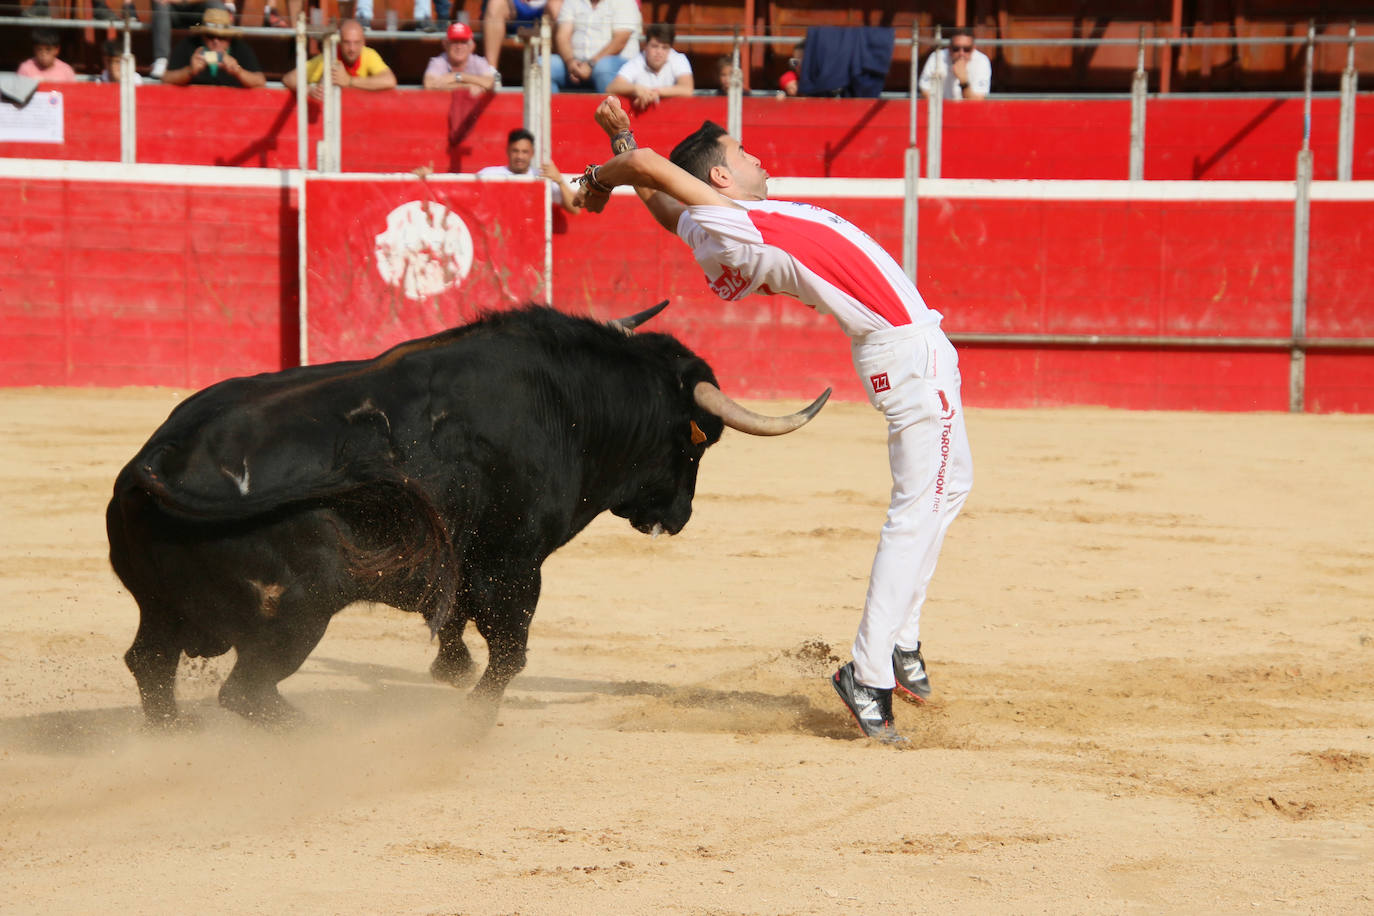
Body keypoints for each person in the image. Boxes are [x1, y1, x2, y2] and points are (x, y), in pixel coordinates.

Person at [574, 97, 973, 744]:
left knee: (949, 488)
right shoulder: (735, 223)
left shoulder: (716, 225)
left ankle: (900, 642)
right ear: (720, 178)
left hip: (907, 350)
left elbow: (661, 201)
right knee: (916, 511)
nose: (758, 159)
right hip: (906, 354)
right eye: (743, 154)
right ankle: (869, 673)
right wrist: (596, 180)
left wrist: (620, 139)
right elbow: (648, 168)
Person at [477, 127, 581, 216]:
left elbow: (575, 209)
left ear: (532, 153)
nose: (519, 156)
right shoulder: (489, 174)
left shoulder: (541, 178)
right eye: (515, 151)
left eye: (525, 152)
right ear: (508, 150)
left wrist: (560, 181)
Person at [282, 18, 396, 99]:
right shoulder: (328, 58)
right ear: (339, 42)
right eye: (347, 42)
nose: (352, 48)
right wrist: (309, 90)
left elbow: (390, 80)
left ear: (363, 43)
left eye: (356, 43)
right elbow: (289, 78)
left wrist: (349, 81)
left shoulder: (368, 55)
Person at [161, 7, 265, 87]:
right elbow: (166, 78)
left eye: (222, 37)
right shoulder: (189, 44)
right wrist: (190, 71)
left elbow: (260, 81)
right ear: (203, 35)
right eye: (210, 36)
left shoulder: (239, 47)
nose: (216, 41)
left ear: (229, 38)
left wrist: (238, 71)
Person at [550, 0, 640, 93]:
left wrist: (591, 64)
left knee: (603, 67)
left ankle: (610, 102)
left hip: (616, 64)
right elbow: (562, 36)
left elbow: (620, 40)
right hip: (575, 64)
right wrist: (570, 62)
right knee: (546, 64)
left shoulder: (625, 2)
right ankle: (549, 103)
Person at [605, 22, 693, 111]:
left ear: (670, 49)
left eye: (664, 47)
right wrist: (635, 89)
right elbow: (612, 87)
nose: (659, 52)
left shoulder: (679, 59)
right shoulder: (636, 62)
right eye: (655, 46)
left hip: (673, 113)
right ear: (645, 46)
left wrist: (655, 92)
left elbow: (687, 89)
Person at [482, 0, 562, 71]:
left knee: (556, 7)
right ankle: (490, 72)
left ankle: (541, 70)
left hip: (545, 11)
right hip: (513, 7)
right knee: (496, 3)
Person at [918, 28, 990, 101]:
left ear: (973, 48)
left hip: (967, 107)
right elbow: (925, 91)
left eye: (967, 49)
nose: (961, 53)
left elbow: (978, 100)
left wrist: (964, 82)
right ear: (949, 48)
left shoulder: (982, 61)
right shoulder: (937, 57)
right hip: (941, 105)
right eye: (956, 49)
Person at [424, 21, 497, 92]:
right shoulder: (438, 62)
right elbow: (429, 84)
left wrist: (458, 76)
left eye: (463, 42)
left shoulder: (479, 62)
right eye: (454, 42)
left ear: (472, 46)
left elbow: (490, 84)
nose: (459, 46)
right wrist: (467, 87)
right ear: (446, 44)